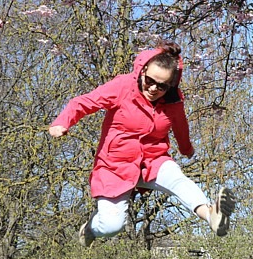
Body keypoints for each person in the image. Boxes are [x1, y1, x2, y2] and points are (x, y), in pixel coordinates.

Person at [49, 42, 236, 247]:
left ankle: (211, 215)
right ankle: (91, 228)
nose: (154, 88)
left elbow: (180, 125)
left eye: (162, 86)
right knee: (112, 226)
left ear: (171, 84)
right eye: (150, 81)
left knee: (177, 179)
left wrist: (186, 148)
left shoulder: (173, 101)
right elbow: (84, 102)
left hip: (152, 160)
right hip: (115, 165)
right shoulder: (122, 86)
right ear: (143, 70)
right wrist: (62, 122)